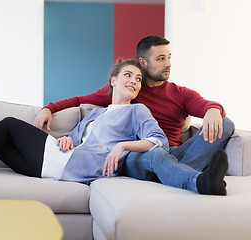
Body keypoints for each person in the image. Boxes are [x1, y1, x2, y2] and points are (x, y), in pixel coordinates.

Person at [0, 60, 169, 186]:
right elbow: (74, 138)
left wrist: (121, 146)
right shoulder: (97, 112)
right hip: (63, 159)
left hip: (75, 167)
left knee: (10, 125)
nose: (134, 82)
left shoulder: (138, 111)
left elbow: (160, 141)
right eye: (128, 76)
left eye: (138, 79)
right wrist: (67, 137)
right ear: (114, 81)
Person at [33, 35, 235, 195]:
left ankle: (171, 173)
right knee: (155, 154)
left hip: (175, 152)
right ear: (143, 62)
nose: (168, 64)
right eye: (161, 59)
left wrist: (212, 110)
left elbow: (207, 105)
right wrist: (48, 108)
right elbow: (79, 100)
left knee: (226, 124)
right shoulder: (127, 88)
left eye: (169, 58)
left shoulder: (180, 93)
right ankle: (194, 180)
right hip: (139, 154)